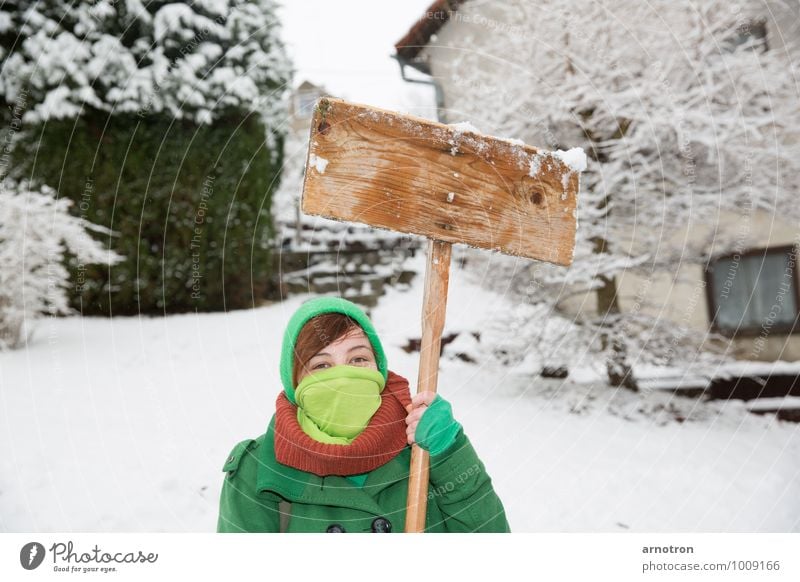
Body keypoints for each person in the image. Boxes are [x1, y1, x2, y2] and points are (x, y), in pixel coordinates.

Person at [217, 296, 510, 533]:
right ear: (294, 384)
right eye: (321, 365)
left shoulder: (422, 451)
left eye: (358, 359)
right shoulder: (257, 472)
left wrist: (451, 455)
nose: (344, 377)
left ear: (379, 369)